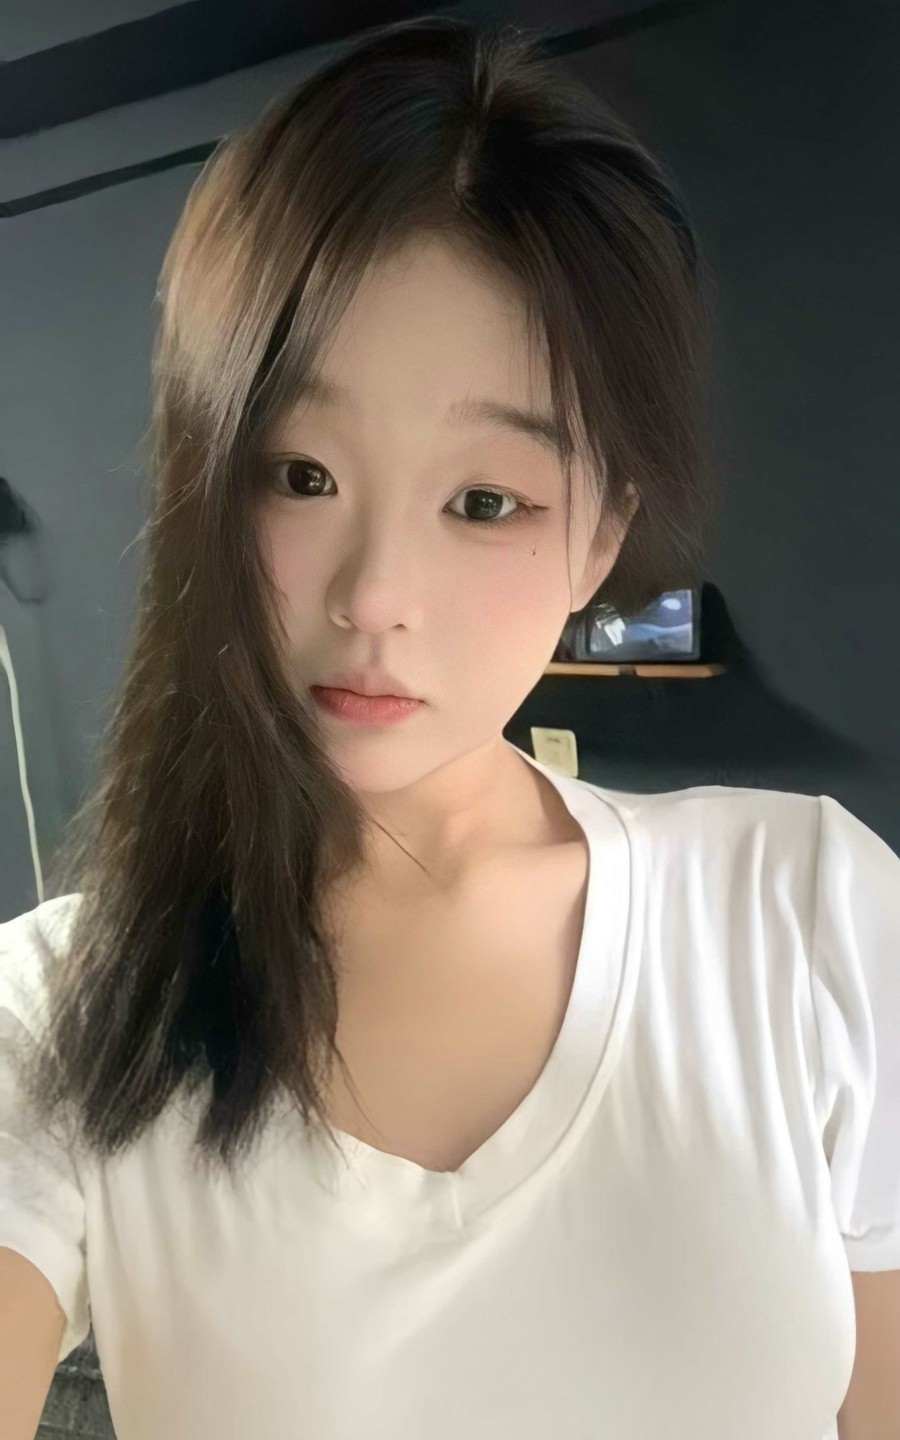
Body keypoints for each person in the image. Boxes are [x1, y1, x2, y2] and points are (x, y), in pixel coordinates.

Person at [1, 16, 898, 1440]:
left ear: (599, 537)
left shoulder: (807, 913)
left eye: (485, 501)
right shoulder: (64, 1006)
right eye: (300, 474)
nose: (373, 598)